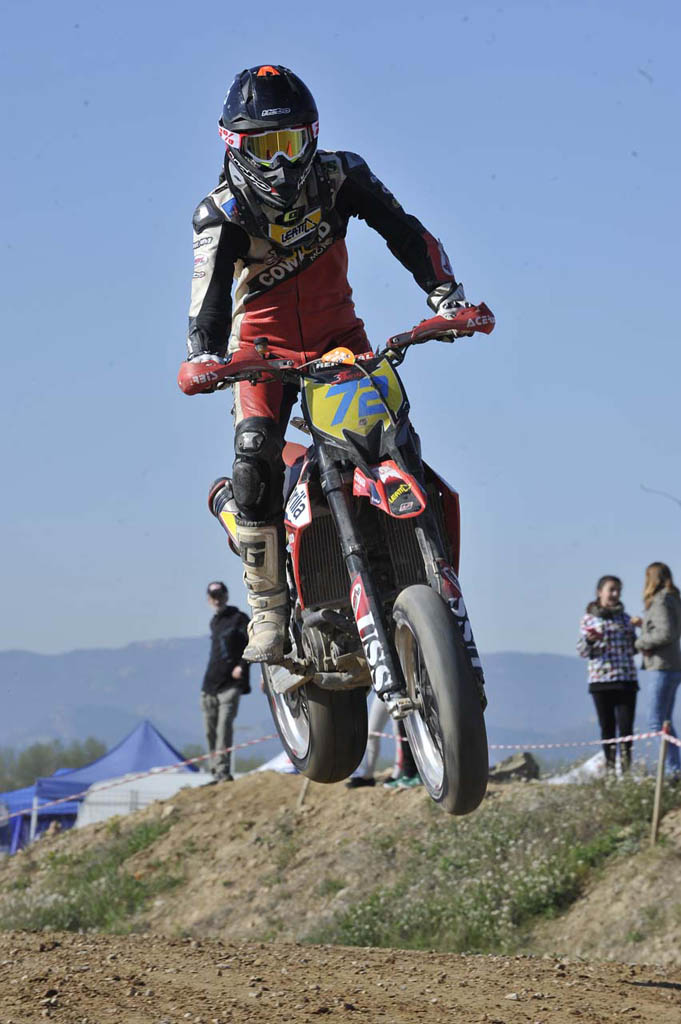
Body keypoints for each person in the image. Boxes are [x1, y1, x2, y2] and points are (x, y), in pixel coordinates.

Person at [186, 64, 483, 663]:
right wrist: (204, 355)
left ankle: (422, 568)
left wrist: (447, 297)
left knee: (390, 437)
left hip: (341, 342)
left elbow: (405, 231)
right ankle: (268, 605)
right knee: (254, 451)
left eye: (290, 142)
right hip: (261, 354)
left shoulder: (340, 176)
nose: (279, 162)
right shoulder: (222, 212)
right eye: (263, 147)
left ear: (313, 135)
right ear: (233, 145)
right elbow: (208, 300)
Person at [577, 575, 638, 773]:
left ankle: (626, 771)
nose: (615, 594)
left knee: (626, 728)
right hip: (601, 681)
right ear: (599, 592)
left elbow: (634, 647)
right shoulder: (589, 619)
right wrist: (590, 640)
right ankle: (610, 770)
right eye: (611, 589)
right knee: (607, 727)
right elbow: (582, 651)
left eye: (618, 590)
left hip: (626, 679)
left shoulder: (626, 619)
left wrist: (639, 633)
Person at [635, 562, 681, 778]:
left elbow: (666, 633)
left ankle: (674, 770)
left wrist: (641, 642)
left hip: (662, 665)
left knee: (656, 721)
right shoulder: (673, 599)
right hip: (673, 665)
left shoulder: (661, 600)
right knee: (665, 721)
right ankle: (675, 768)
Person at [201, 581, 251, 781]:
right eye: (213, 597)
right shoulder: (214, 622)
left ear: (227, 596)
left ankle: (223, 771)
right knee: (210, 732)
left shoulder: (239, 619)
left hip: (231, 685)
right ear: (208, 600)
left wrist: (242, 666)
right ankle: (215, 772)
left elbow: (254, 644)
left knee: (223, 729)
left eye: (220, 596)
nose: (217, 600)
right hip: (209, 685)